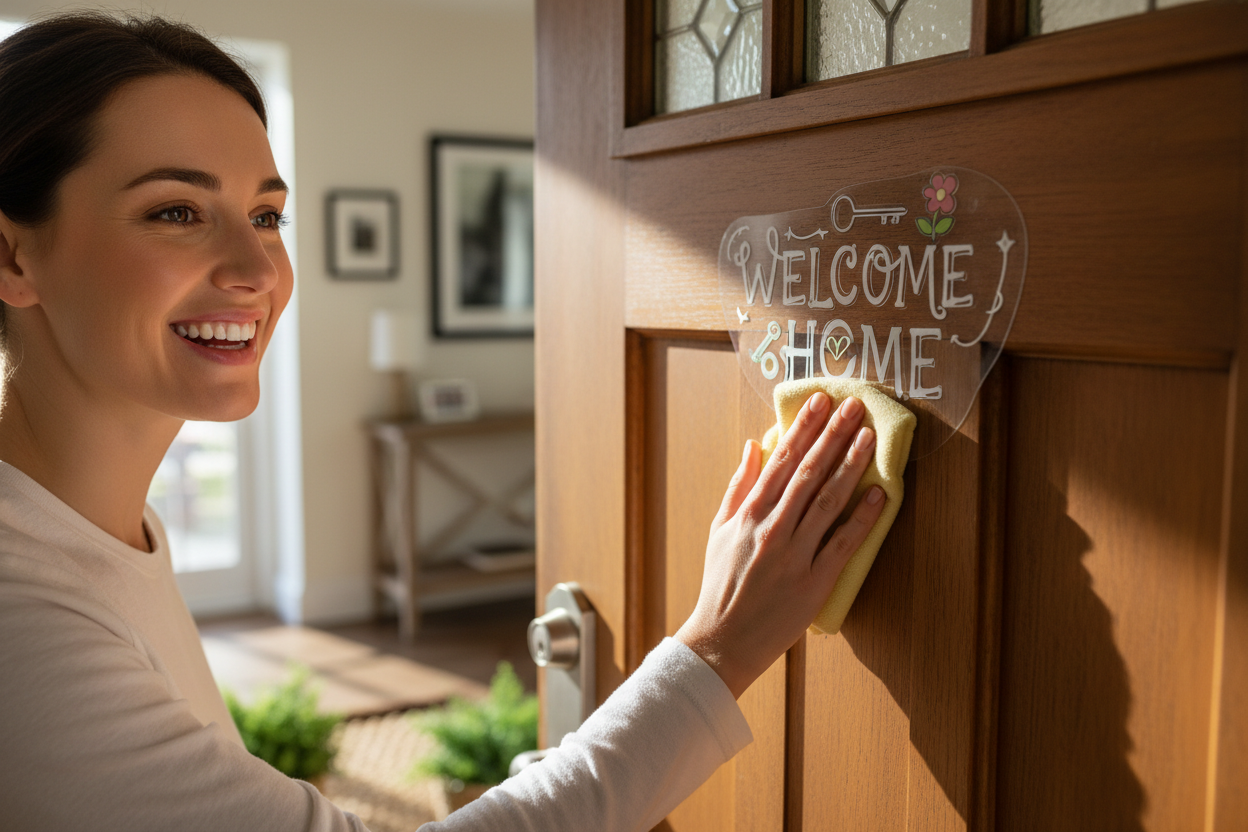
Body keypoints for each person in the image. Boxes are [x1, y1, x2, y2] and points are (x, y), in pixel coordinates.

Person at [0, 12, 886, 831]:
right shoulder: (24, 625)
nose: (255, 267)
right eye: (176, 212)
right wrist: (720, 644)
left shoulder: (106, 530)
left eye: (266, 216)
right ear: (13, 254)